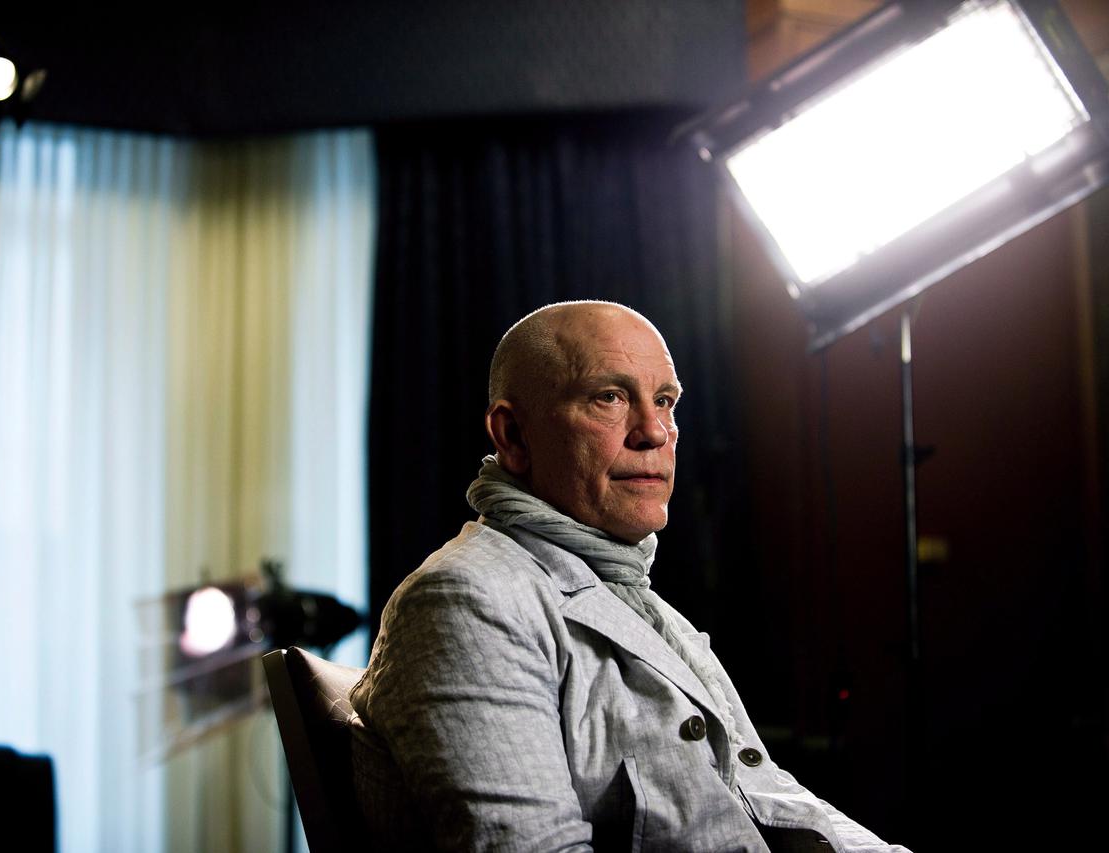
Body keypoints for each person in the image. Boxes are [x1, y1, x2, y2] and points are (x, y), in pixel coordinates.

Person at [350, 301, 910, 851]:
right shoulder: (466, 599)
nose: (654, 432)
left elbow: (770, 796)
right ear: (514, 437)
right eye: (609, 397)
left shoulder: (635, 598)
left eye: (665, 401)